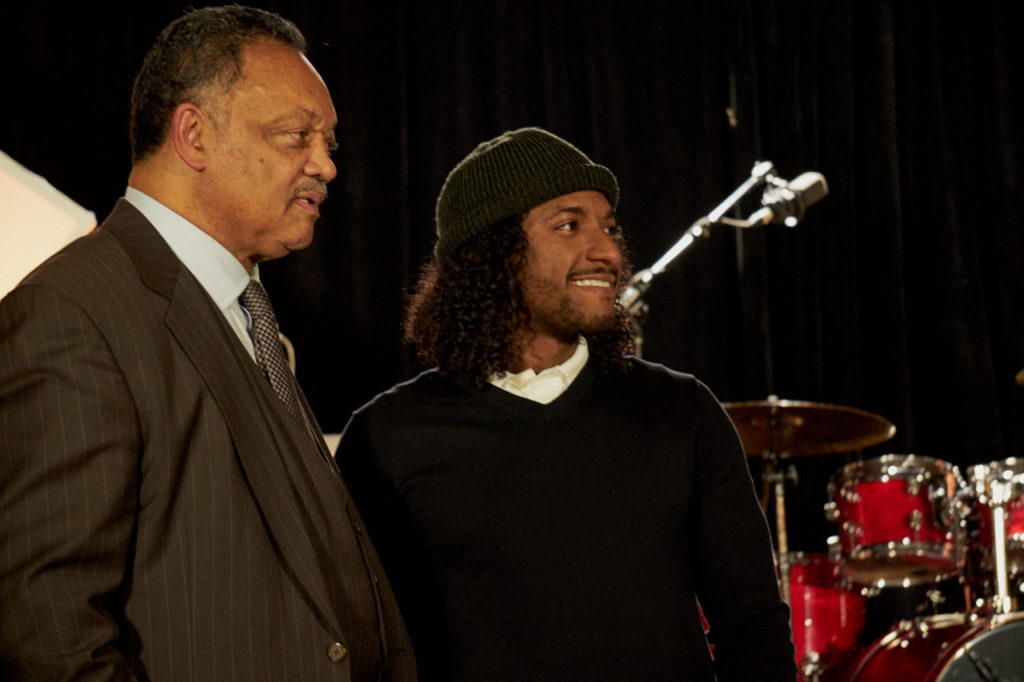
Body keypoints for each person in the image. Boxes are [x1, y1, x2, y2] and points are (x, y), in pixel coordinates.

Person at [0, 6, 415, 681]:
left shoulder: (248, 315)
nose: (326, 166)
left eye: (328, 142)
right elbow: (46, 625)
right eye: (295, 136)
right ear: (192, 135)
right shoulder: (72, 314)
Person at [335, 127, 797, 681]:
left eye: (609, 228)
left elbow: (753, 628)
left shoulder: (682, 411)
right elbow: (368, 650)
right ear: (493, 252)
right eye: (569, 225)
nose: (606, 250)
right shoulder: (388, 438)